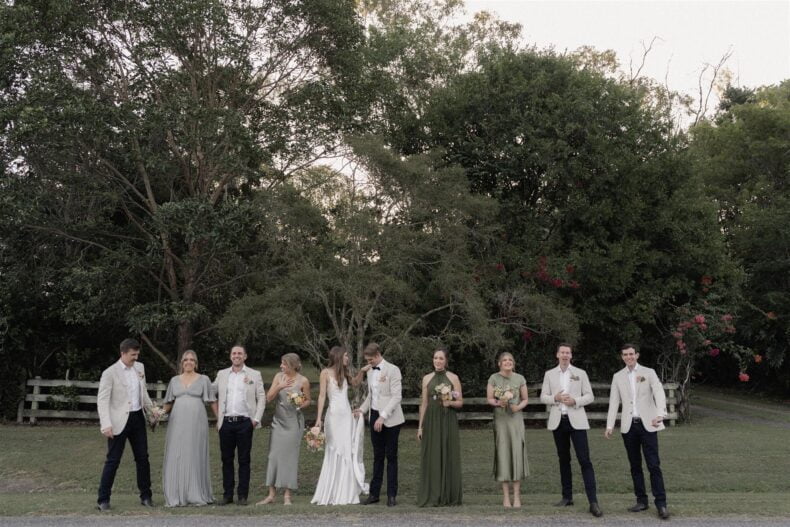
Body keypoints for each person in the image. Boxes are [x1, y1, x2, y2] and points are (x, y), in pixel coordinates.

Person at [605, 344, 670, 520]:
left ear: (637, 355)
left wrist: (660, 414)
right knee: (635, 466)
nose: (629, 357)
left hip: (648, 425)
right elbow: (614, 402)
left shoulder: (649, 372)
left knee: (653, 465)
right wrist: (610, 425)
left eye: (631, 354)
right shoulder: (618, 376)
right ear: (622, 357)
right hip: (629, 427)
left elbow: (659, 392)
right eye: (625, 354)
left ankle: (661, 504)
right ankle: (641, 501)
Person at [539, 343, 603, 517]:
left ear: (571, 355)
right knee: (563, 460)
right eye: (562, 352)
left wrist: (575, 401)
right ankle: (567, 497)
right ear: (557, 355)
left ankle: (593, 502)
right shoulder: (549, 374)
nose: (565, 355)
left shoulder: (580, 373)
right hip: (558, 421)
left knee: (584, 460)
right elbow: (543, 397)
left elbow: (590, 396)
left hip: (577, 421)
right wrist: (555, 398)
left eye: (568, 352)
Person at [96, 338, 155, 511]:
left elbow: (143, 393)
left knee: (143, 458)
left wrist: (152, 412)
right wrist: (106, 424)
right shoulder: (109, 373)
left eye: (137, 354)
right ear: (122, 353)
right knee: (113, 460)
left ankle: (146, 496)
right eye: (132, 355)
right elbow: (102, 400)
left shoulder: (140, 368)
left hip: (138, 419)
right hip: (118, 421)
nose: (136, 358)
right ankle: (103, 500)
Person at [311, 346, 368, 505]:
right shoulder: (325, 373)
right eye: (345, 356)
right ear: (338, 356)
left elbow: (355, 383)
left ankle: (346, 490)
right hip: (334, 416)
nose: (347, 358)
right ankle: (332, 491)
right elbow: (322, 396)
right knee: (335, 449)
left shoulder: (345, 373)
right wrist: (319, 419)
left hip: (346, 416)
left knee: (346, 449)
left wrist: (362, 371)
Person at [212, 345, 265, 506]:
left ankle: (242, 495)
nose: (237, 355)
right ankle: (227, 495)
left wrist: (255, 419)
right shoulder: (222, 374)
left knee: (244, 460)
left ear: (245, 356)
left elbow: (261, 397)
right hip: (226, 423)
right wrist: (218, 418)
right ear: (230, 356)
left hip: (245, 422)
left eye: (240, 353)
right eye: (234, 353)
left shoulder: (254, 374)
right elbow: (211, 391)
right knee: (226, 460)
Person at [161, 350, 215, 506]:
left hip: (197, 421)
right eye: (186, 360)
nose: (189, 362)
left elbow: (212, 401)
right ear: (182, 363)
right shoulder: (174, 381)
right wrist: (158, 414)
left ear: (196, 363)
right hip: (177, 421)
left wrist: (220, 419)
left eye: (192, 360)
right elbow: (168, 403)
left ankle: (195, 493)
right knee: (176, 453)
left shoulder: (204, 379)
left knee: (194, 452)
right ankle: (176, 493)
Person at [257, 353, 311, 506]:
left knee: (290, 458)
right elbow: (268, 398)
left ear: (293, 365)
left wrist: (300, 404)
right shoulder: (278, 377)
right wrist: (279, 386)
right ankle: (271, 495)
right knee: (273, 456)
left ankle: (287, 495)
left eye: (284, 364)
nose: (281, 366)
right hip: (278, 423)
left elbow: (308, 400)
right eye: (281, 363)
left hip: (293, 422)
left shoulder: (303, 381)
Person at [355, 343, 405, 507]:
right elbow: (372, 396)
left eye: (370, 360)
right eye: (367, 360)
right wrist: (362, 410)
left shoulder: (393, 370)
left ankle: (391, 495)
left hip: (390, 418)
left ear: (377, 355)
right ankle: (374, 494)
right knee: (377, 456)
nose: (369, 363)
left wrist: (382, 417)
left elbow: (396, 397)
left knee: (391, 456)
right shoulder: (370, 371)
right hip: (374, 415)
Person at [416, 347, 463, 507]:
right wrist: (420, 427)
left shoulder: (453, 378)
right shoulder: (426, 379)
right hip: (431, 421)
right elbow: (424, 403)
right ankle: (433, 494)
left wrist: (450, 403)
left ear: (446, 361)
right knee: (432, 455)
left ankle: (449, 494)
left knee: (449, 453)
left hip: (448, 419)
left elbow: (460, 402)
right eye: (435, 358)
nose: (438, 361)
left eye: (441, 358)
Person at [486, 351, 529, 508]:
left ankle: (516, 496)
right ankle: (505, 497)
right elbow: (490, 399)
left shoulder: (520, 378)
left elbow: (525, 399)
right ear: (499, 363)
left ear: (513, 363)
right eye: (504, 360)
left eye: (510, 360)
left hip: (515, 419)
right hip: (501, 419)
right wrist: (499, 403)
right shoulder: (493, 378)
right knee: (503, 454)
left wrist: (518, 407)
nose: (507, 362)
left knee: (516, 454)